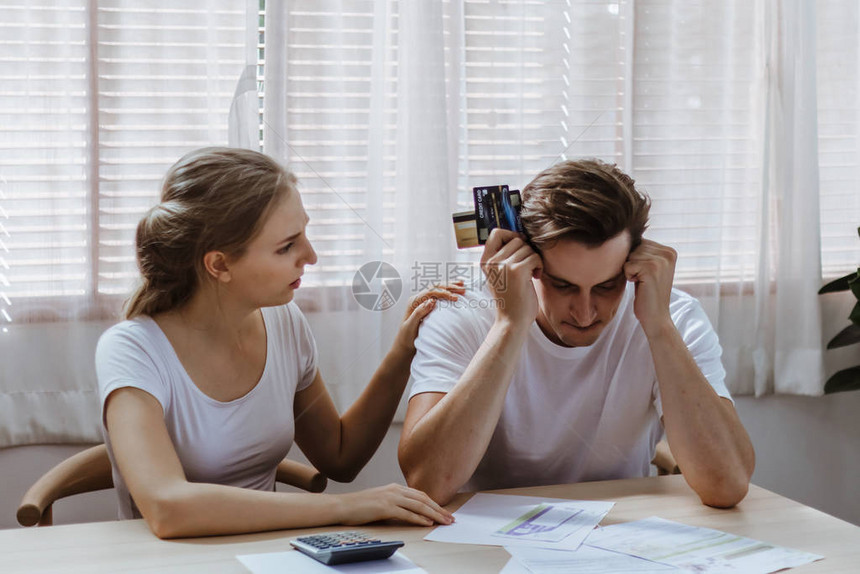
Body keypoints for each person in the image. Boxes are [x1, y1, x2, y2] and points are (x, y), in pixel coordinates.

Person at [96, 147, 461, 539]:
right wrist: (344, 506)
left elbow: (339, 456)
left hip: (266, 555)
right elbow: (167, 508)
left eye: (304, 233)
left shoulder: (284, 321)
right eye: (287, 246)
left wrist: (403, 351)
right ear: (219, 265)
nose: (311, 256)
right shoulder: (133, 350)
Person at [398, 159, 756, 507]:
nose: (585, 313)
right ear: (528, 264)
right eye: (563, 285)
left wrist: (659, 328)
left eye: (606, 286)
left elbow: (726, 485)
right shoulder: (461, 314)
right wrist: (509, 325)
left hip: (619, 533)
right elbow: (427, 484)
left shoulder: (672, 315)